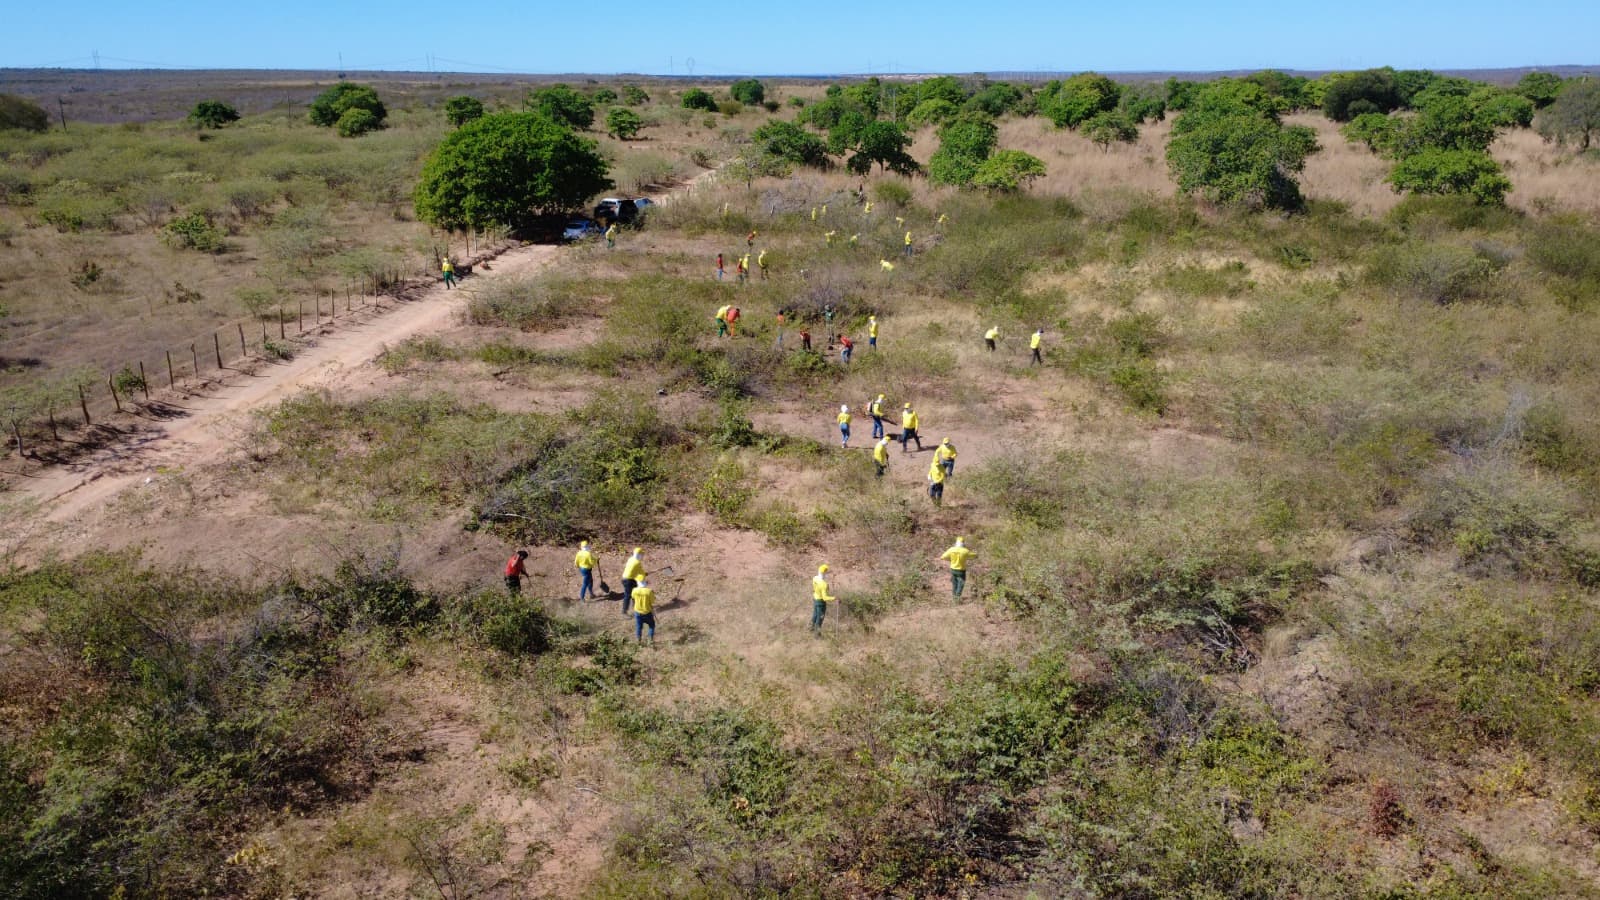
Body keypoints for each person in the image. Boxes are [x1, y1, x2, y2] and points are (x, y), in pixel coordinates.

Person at [811, 564, 836, 635]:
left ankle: (811, 628)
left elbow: (814, 588)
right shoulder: (824, 584)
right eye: (826, 572)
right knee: (820, 618)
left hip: (815, 599)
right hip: (821, 602)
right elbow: (825, 598)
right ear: (824, 573)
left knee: (815, 615)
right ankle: (817, 634)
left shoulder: (815, 578)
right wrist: (834, 598)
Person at [631, 577, 657, 645]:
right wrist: (653, 594)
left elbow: (633, 599)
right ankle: (650, 640)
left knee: (639, 627)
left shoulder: (634, 590)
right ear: (645, 583)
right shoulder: (649, 591)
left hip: (637, 612)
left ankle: (638, 640)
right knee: (652, 626)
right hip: (647, 612)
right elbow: (653, 601)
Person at [621, 548, 646, 617]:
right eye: (642, 554)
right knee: (628, 595)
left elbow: (633, 570)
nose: (642, 556)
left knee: (635, 594)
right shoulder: (637, 562)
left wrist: (642, 574)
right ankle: (624, 612)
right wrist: (644, 575)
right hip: (628, 580)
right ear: (639, 554)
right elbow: (641, 573)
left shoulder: (630, 559)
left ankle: (636, 609)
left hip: (627, 578)